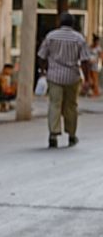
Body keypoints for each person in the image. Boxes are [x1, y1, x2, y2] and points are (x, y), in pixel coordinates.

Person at [37, 12, 92, 148]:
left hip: (54, 76)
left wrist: (43, 71)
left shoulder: (51, 36)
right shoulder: (79, 38)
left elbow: (42, 56)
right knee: (71, 106)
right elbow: (85, 60)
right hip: (72, 77)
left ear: (59, 22)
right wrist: (87, 79)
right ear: (73, 24)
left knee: (54, 104)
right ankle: (72, 135)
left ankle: (53, 134)